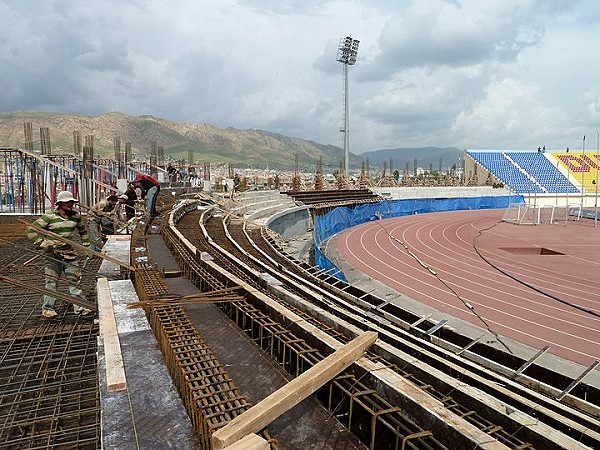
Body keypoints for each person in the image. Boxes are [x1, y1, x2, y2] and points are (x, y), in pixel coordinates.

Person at [26, 190, 92, 318]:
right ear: (60, 204)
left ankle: (80, 307)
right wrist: (42, 243)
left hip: (69, 254)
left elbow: (83, 232)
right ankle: (48, 308)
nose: (71, 204)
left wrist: (86, 247)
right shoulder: (49, 217)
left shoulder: (76, 217)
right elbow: (30, 230)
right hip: (53, 255)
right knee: (51, 281)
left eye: (72, 202)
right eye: (68, 202)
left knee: (75, 280)